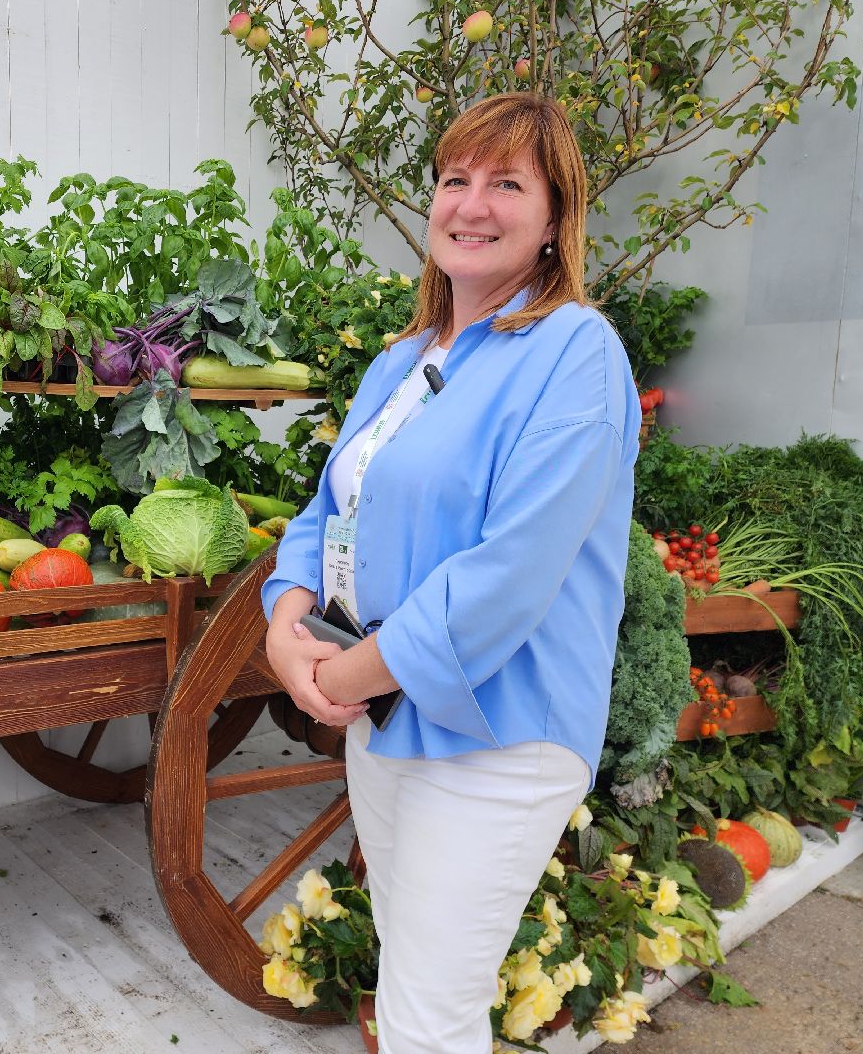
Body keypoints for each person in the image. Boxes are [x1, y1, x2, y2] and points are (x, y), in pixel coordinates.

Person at [261, 92, 641, 1053]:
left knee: (430, 1019)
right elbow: (326, 512)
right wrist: (283, 624)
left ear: (555, 219)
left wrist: (338, 676)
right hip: (386, 721)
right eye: (454, 180)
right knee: (414, 991)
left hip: (497, 735)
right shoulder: (401, 363)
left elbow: (510, 574)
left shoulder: (576, 353)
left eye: (506, 184)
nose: (471, 204)